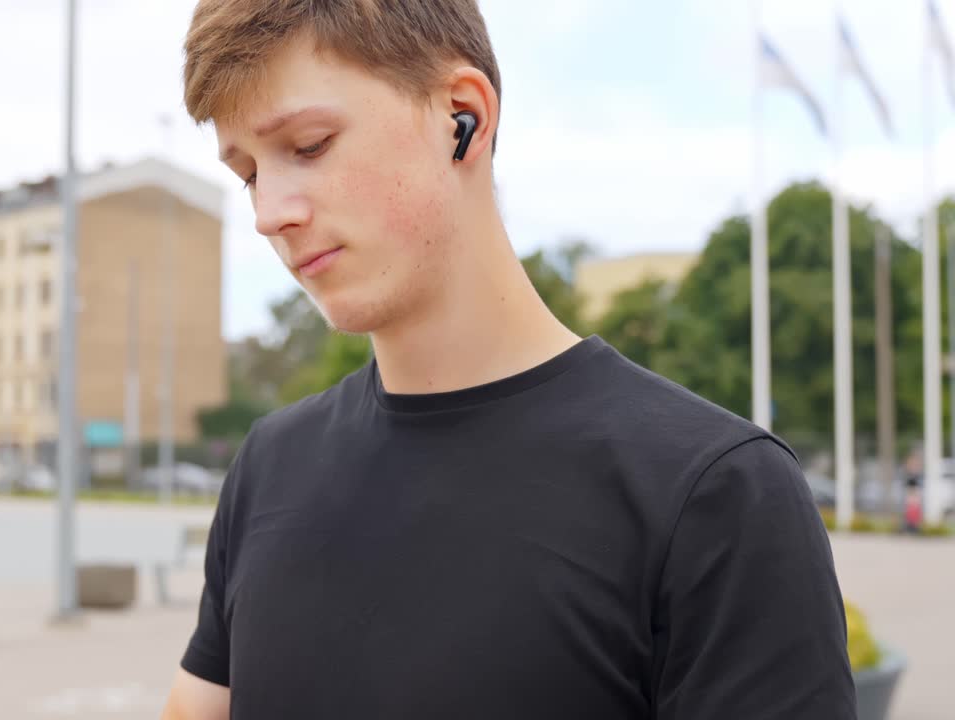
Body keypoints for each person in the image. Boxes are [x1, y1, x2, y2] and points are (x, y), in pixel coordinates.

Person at [161, 1, 855, 718]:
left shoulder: (716, 494)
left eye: (308, 146)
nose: (269, 211)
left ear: (462, 118)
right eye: (247, 173)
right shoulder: (270, 466)